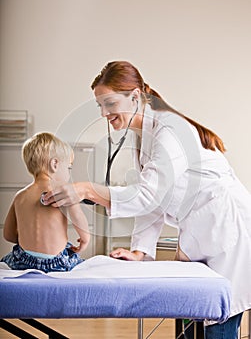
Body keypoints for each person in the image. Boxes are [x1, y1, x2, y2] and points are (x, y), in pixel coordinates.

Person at [43, 61, 251, 338]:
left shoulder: (171, 131)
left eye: (110, 103)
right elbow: (153, 199)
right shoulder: (144, 136)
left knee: (216, 323)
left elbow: (147, 196)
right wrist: (140, 251)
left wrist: (86, 190)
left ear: (136, 97)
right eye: (100, 106)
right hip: (202, 232)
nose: (104, 113)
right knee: (194, 317)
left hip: (227, 230)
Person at [1, 132, 90, 272]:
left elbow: (8, 234)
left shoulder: (20, 196)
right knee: (80, 262)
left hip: (23, 261)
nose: (69, 172)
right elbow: (78, 219)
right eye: (69, 167)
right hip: (56, 263)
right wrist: (85, 240)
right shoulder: (64, 193)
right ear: (55, 164)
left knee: (6, 259)